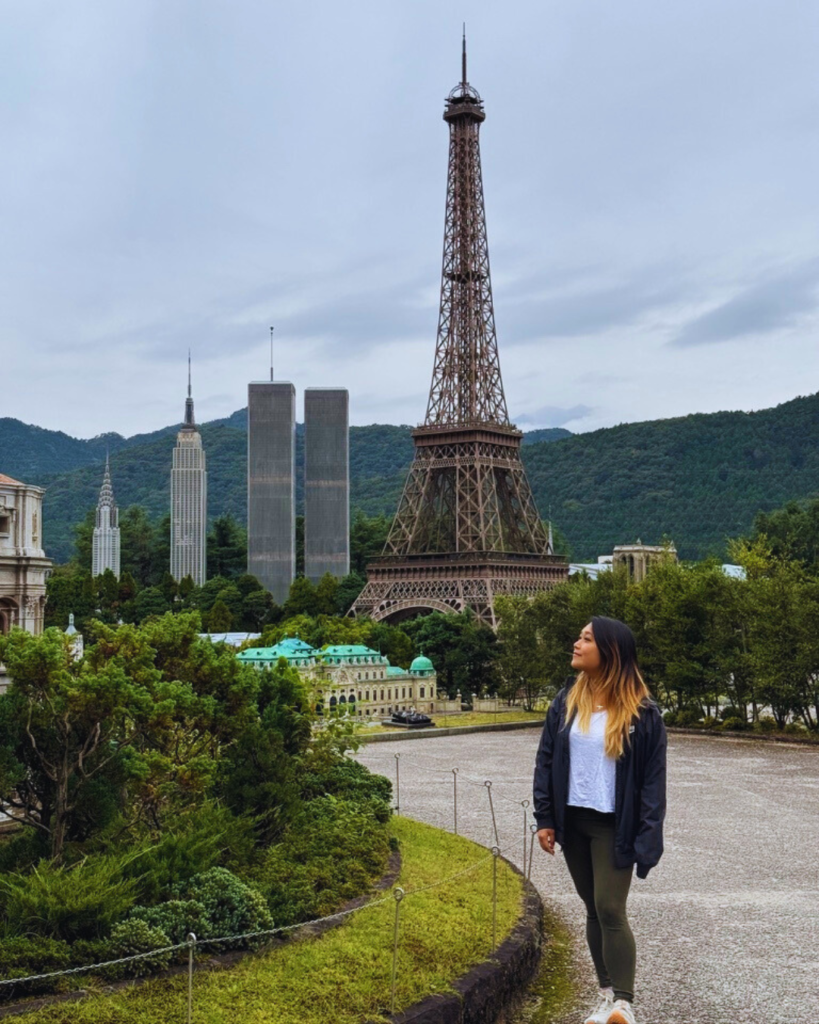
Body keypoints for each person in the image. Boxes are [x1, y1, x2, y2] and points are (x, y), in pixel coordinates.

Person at [533, 616, 667, 1024]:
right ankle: (606, 997)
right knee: (592, 908)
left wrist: (648, 838)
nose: (577, 643)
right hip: (573, 822)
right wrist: (545, 816)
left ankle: (624, 1003)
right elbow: (546, 760)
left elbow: (652, 783)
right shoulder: (566, 701)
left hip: (613, 825)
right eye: (579, 636)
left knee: (610, 907)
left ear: (610, 651)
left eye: (586, 638)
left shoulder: (643, 714)